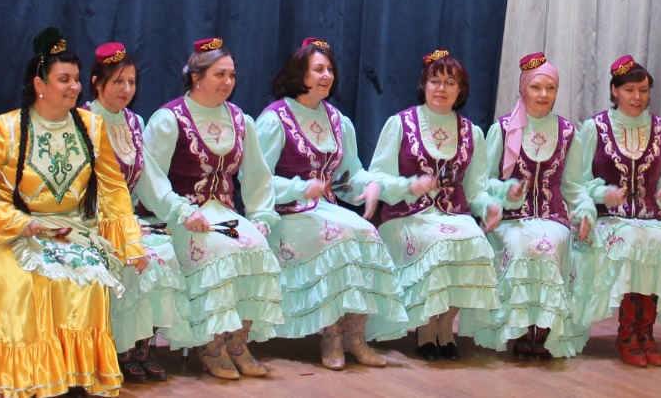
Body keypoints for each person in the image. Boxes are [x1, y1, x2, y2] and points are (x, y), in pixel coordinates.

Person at [0, 27, 149, 398]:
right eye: (63, 79)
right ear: (40, 84)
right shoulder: (7, 129)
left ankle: (72, 372)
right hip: (17, 231)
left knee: (86, 277)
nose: (74, 87)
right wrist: (14, 221)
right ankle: (33, 372)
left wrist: (130, 242)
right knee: (30, 279)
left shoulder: (91, 126)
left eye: (76, 79)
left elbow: (114, 190)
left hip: (71, 228)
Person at [135, 38, 284, 380]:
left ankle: (237, 342)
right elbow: (150, 178)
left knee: (258, 247)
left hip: (224, 212)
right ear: (196, 77)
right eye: (220, 74)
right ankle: (210, 344)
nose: (228, 82)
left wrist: (261, 215)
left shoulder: (240, 119)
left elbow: (257, 174)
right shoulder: (169, 119)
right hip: (177, 216)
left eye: (232, 75)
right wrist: (181, 211)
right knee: (220, 250)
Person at [254, 37, 405, 369]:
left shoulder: (338, 121)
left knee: (367, 233)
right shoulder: (275, 118)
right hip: (286, 214)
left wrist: (370, 187)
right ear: (300, 74)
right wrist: (300, 188)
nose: (326, 76)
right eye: (318, 69)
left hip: (325, 210)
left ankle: (355, 337)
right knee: (339, 237)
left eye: (330, 70)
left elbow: (351, 174)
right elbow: (257, 179)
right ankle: (331, 337)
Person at [367, 49, 502, 361]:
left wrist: (489, 207)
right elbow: (377, 177)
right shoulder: (400, 123)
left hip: (453, 214)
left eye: (450, 82)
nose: (441, 88)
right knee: (438, 244)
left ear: (460, 89)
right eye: (435, 81)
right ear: (424, 85)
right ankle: (426, 327)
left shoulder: (472, 132)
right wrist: (408, 186)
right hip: (406, 214)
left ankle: (445, 324)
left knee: (476, 243)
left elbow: (476, 190)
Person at [470, 51, 595, 360]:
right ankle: (523, 327)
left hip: (553, 216)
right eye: (536, 87)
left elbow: (575, 185)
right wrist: (504, 192)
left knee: (549, 243)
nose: (543, 95)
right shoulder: (502, 129)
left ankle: (545, 327)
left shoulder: (568, 132)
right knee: (522, 244)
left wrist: (585, 211)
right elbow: (483, 181)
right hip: (511, 218)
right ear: (522, 89)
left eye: (550, 88)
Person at [571, 54, 661, 367]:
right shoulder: (594, 127)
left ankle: (644, 330)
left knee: (659, 240)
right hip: (610, 219)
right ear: (614, 91)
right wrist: (603, 194)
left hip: (650, 218)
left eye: (643, 90)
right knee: (632, 241)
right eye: (629, 90)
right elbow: (578, 181)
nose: (637, 97)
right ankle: (627, 333)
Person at [86, 41, 184, 383]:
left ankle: (141, 346)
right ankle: (118, 347)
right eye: (117, 81)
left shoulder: (134, 121)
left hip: (127, 219)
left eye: (131, 82)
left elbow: (149, 179)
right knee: (126, 256)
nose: (126, 89)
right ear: (97, 82)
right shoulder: (83, 121)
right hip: (93, 220)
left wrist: (179, 208)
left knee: (162, 252)